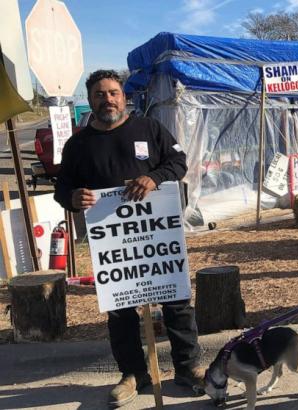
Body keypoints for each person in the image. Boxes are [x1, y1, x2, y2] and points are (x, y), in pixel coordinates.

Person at [54, 70, 205, 408]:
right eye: (99, 94)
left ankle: (188, 367)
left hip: (158, 235)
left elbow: (178, 162)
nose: (107, 99)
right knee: (121, 310)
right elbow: (62, 188)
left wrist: (153, 178)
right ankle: (133, 374)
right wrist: (73, 197)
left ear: (123, 97)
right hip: (112, 242)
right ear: (90, 100)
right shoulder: (77, 144)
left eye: (113, 92)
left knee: (176, 300)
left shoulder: (149, 128)